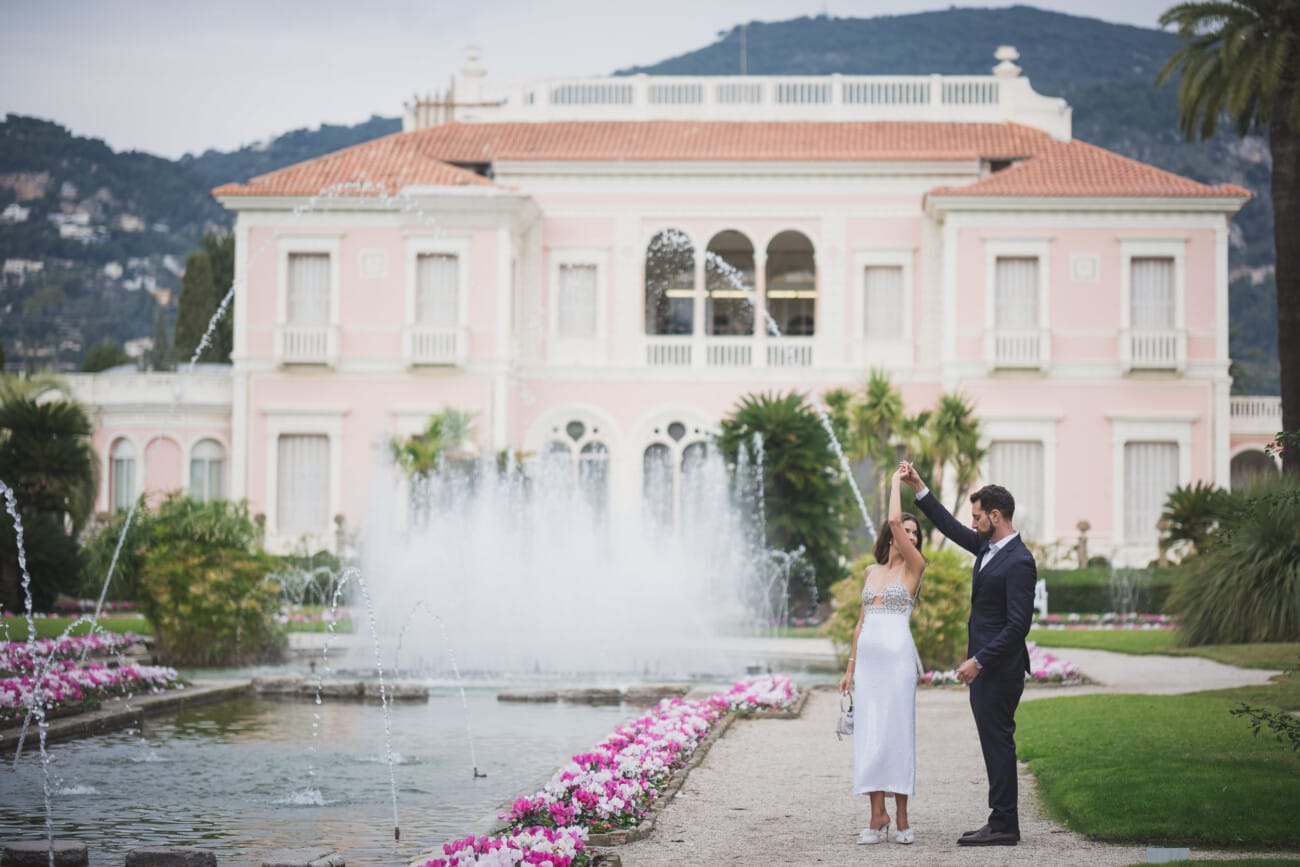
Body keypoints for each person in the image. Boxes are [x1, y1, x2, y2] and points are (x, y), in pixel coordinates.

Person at [899, 462, 1036, 847]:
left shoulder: (1020, 561)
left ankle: (1005, 823)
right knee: (993, 742)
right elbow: (948, 526)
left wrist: (979, 660)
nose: (973, 523)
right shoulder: (987, 547)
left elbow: (1016, 626)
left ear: (996, 516)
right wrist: (920, 487)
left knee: (998, 742)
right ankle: (1001, 820)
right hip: (988, 668)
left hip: (999, 668)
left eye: (978, 517)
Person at [838, 463, 925, 845]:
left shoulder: (915, 568)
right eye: (905, 530)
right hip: (869, 666)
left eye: (914, 534)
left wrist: (894, 481)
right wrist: (850, 666)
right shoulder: (871, 572)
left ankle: (903, 819)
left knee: (897, 734)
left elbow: (891, 518)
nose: (908, 536)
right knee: (870, 734)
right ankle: (877, 817)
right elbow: (861, 623)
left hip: (898, 664)